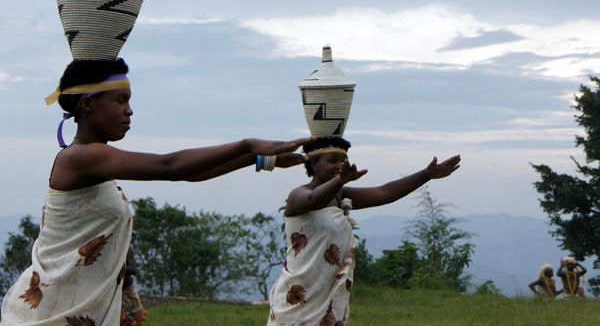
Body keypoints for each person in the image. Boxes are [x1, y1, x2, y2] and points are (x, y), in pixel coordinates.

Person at [0, 57, 317, 326]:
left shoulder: (94, 162)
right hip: (46, 314)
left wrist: (259, 159)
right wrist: (246, 144)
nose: (130, 111)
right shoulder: (81, 157)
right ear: (88, 104)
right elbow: (171, 166)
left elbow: (188, 175)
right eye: (121, 101)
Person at [267, 136, 461, 326]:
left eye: (343, 161)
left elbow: (384, 193)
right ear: (314, 164)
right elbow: (315, 201)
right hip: (299, 297)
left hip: (328, 299)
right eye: (332, 161)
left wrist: (426, 175)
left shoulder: (340, 195)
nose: (339, 165)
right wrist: (340, 181)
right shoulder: (298, 195)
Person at [120, 247, 146, 326]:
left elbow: (133, 269)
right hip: (112, 291)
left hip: (127, 291)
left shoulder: (127, 249)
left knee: (134, 321)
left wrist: (119, 269)